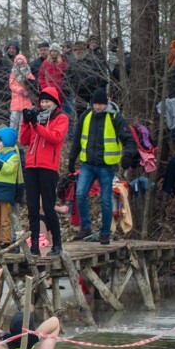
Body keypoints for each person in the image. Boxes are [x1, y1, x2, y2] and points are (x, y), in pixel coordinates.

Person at [68, 88, 136, 245]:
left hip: (106, 166)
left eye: (100, 104)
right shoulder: (86, 116)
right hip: (88, 164)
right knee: (80, 194)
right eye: (95, 104)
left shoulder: (115, 118)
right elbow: (77, 139)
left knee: (106, 200)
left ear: (106, 103)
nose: (98, 107)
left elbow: (129, 140)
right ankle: (86, 228)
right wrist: (72, 159)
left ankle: (105, 232)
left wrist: (127, 156)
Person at [20, 87, 69, 256]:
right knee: (32, 207)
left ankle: (57, 244)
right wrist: (26, 122)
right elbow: (24, 140)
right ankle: (34, 244)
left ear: (55, 103)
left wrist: (35, 125)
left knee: (48, 207)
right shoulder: (37, 118)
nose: (44, 104)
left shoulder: (61, 118)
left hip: (48, 167)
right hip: (32, 167)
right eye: (42, 101)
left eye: (48, 101)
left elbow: (54, 138)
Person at [9, 54, 35, 130]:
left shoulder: (28, 73)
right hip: (16, 101)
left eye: (22, 62)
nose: (20, 65)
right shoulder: (13, 73)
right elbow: (11, 85)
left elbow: (33, 83)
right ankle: (12, 138)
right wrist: (21, 90)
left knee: (23, 122)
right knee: (13, 121)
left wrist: (29, 90)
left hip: (26, 101)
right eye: (18, 63)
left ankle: (21, 138)